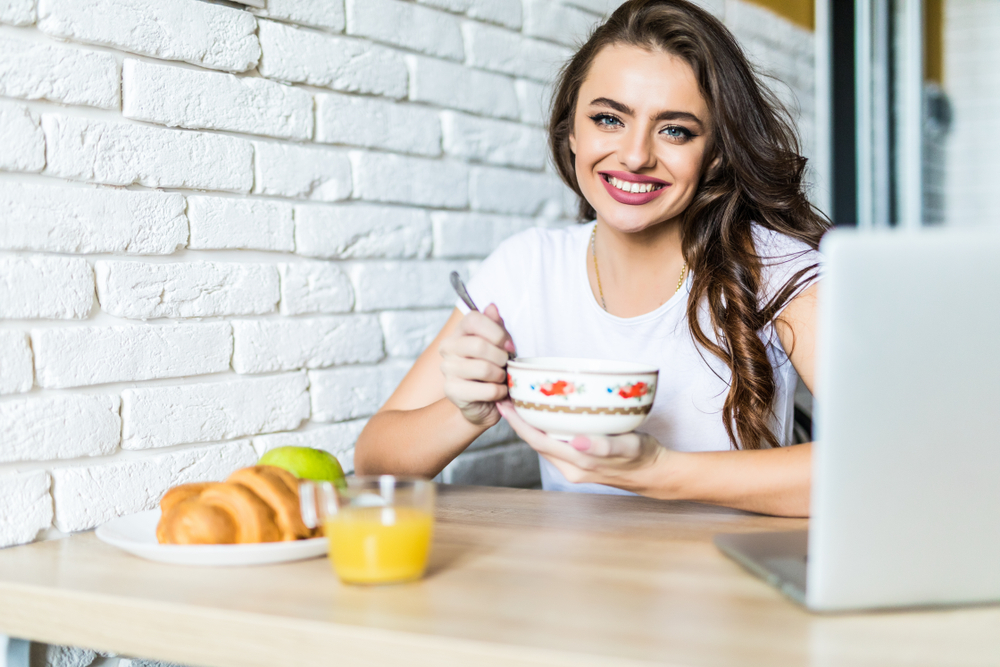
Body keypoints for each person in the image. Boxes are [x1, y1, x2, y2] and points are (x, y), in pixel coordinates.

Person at [354, 0, 828, 517]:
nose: (635, 155)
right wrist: (467, 410)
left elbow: (893, 459)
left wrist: (658, 472)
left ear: (714, 153)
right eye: (608, 119)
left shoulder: (778, 266)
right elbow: (375, 462)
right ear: (572, 133)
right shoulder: (526, 268)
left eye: (675, 130)